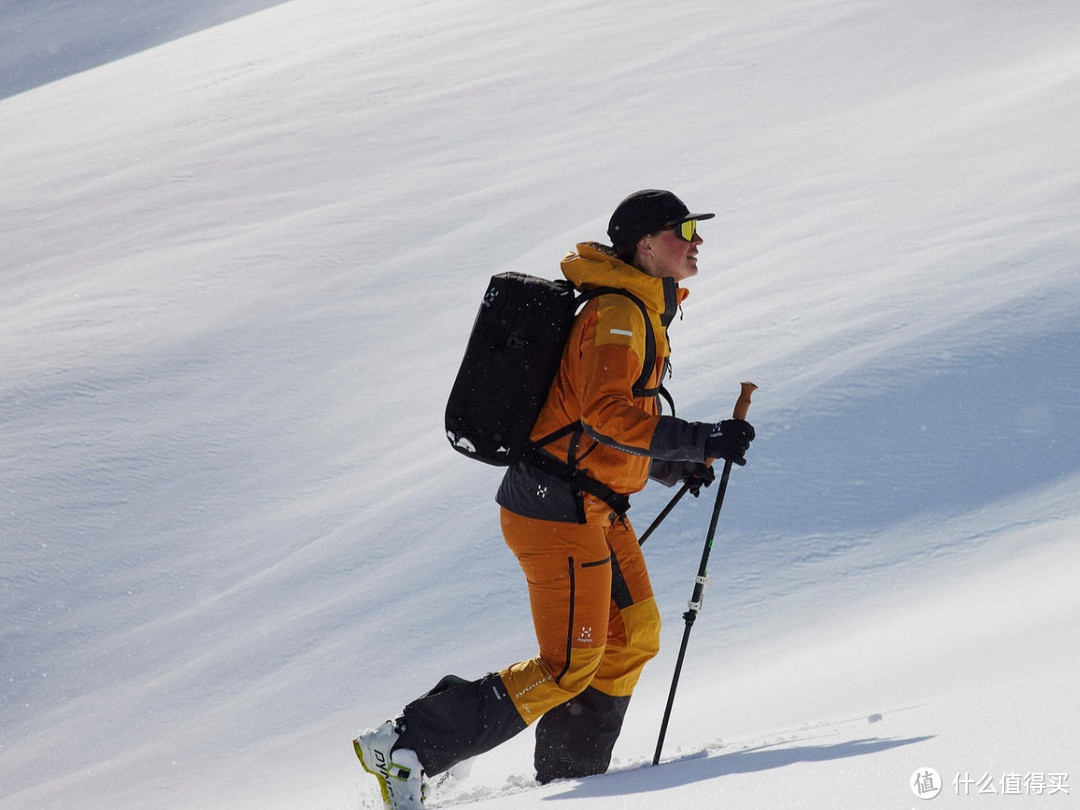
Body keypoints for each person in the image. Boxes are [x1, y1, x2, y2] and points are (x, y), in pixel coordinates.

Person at [353, 189, 756, 808]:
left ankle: (572, 775)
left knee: (636, 633)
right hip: (554, 507)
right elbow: (604, 415)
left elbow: (594, 422)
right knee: (571, 662)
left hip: (590, 501)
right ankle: (407, 745)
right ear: (646, 245)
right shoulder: (619, 313)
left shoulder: (642, 309)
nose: (697, 240)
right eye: (684, 229)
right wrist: (700, 438)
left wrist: (677, 464)